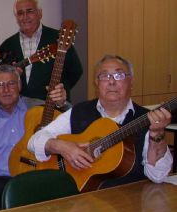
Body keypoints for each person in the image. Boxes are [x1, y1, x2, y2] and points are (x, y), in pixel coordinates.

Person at [27, 55, 173, 188]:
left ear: (131, 82)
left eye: (119, 75)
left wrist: (157, 135)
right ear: (96, 83)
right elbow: (34, 141)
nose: (111, 81)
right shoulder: (79, 111)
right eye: (104, 76)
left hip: (131, 200)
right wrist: (62, 147)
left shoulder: (147, 118)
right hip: (82, 200)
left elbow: (158, 176)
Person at [0, 64, 67, 211]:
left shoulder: (38, 108)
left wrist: (62, 103)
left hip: (35, 175)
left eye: (11, 83)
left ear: (19, 86)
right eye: (0, 85)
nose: (6, 89)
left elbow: (68, 121)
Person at [0, 0, 82, 101]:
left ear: (40, 13)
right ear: (16, 18)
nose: (25, 17)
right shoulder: (7, 45)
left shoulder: (59, 39)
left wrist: (60, 90)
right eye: (20, 13)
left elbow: (75, 71)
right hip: (18, 110)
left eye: (30, 11)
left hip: (52, 107)